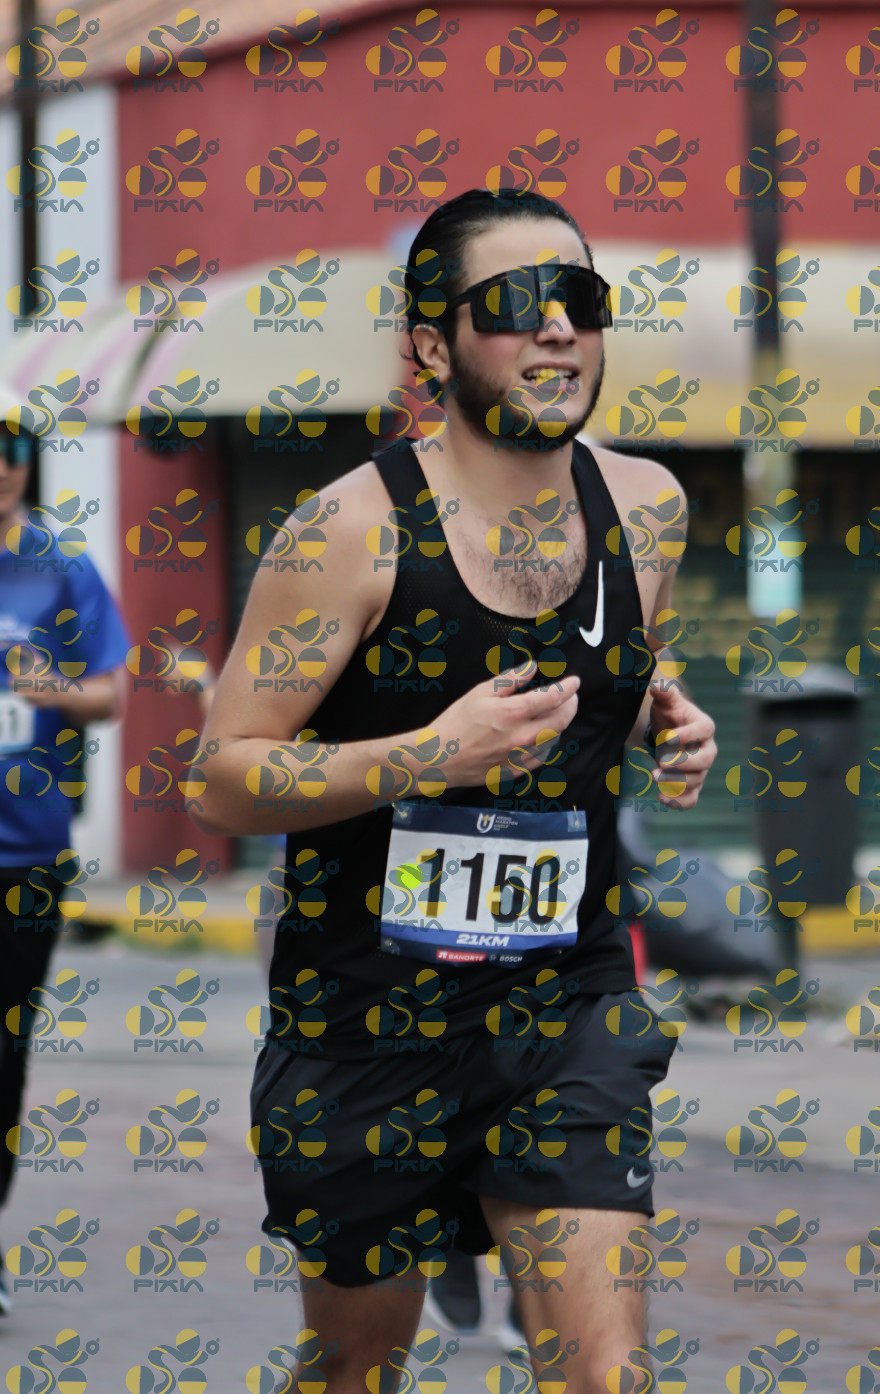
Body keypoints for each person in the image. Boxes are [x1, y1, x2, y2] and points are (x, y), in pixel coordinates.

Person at [191, 188, 717, 1391]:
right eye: (516, 303)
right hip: (365, 1017)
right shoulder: (344, 532)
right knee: (353, 1364)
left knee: (603, 1373)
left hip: (565, 1001)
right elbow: (221, 777)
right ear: (432, 346)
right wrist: (428, 754)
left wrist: (659, 711)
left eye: (579, 298)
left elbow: (616, 661)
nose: (557, 328)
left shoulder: (646, 508)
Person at [0, 418, 129, 1312]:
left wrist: (47, 689)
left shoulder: (62, 567)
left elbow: (110, 694)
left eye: (10, 452)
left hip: (25, 854)